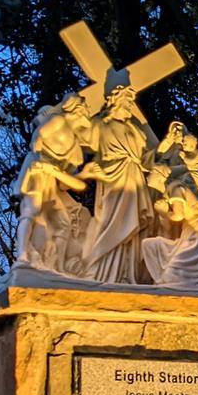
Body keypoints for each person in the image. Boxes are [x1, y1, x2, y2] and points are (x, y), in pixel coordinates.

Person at [79, 84, 156, 284]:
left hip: (134, 177)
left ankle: (127, 274)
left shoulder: (134, 128)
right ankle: (102, 270)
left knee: (132, 225)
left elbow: (146, 158)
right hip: (113, 178)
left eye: (131, 100)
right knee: (110, 222)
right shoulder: (100, 124)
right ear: (116, 100)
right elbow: (81, 143)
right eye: (128, 100)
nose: (131, 104)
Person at [13, 99, 90, 273]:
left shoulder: (76, 149)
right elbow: (38, 139)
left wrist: (58, 172)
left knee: (64, 223)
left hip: (51, 180)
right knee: (31, 210)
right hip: (37, 170)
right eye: (84, 109)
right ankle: (22, 255)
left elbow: (65, 185)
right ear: (76, 110)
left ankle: (59, 266)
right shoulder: (59, 121)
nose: (87, 112)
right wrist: (41, 157)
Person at [140, 189, 198, 291]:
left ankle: (180, 280)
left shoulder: (176, 187)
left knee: (170, 277)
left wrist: (164, 212)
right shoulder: (190, 189)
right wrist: (163, 214)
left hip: (196, 233)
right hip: (190, 234)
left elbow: (178, 216)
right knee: (149, 244)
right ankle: (161, 281)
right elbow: (168, 228)